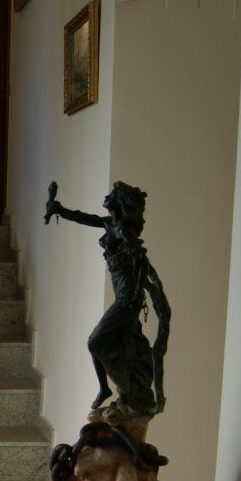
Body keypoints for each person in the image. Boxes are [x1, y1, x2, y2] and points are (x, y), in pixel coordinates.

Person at [44, 181, 170, 423]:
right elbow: (82, 217)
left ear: (120, 201)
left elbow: (140, 260)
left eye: (112, 194)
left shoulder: (123, 230)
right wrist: (58, 209)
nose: (107, 196)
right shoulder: (109, 223)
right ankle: (112, 390)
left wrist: (134, 293)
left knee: (96, 341)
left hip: (127, 299)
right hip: (122, 295)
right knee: (125, 344)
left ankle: (125, 393)